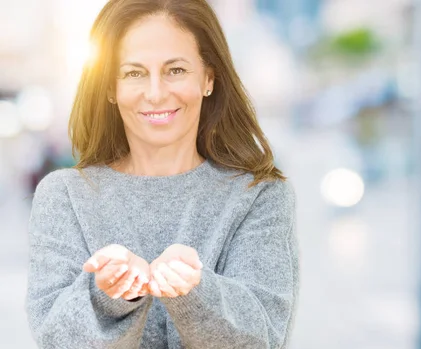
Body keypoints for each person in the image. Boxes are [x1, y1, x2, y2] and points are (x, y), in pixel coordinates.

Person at [25, 0, 299, 348]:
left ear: (209, 78)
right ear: (111, 87)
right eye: (134, 73)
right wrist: (108, 295)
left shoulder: (260, 196)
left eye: (176, 70)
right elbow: (54, 339)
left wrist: (195, 291)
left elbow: (263, 339)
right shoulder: (63, 196)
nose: (155, 93)